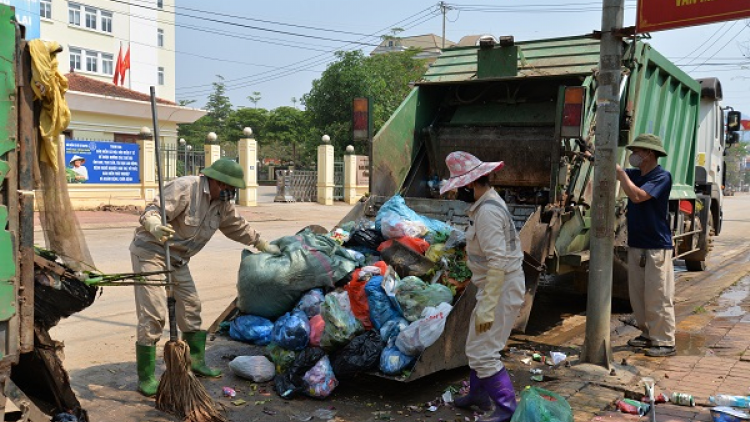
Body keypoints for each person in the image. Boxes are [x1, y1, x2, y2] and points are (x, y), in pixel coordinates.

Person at [129, 158, 281, 397]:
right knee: (154, 313)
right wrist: (155, 225)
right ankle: (146, 376)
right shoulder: (185, 188)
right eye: (230, 188)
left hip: (178, 259)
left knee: (191, 307)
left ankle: (195, 362)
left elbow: (236, 225)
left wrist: (260, 242)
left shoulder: (222, 203)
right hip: (152, 252)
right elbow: (152, 211)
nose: (232, 193)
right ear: (218, 182)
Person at [440, 151, 525, 422]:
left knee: (483, 351)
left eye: (457, 188)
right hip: (495, 286)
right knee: (476, 345)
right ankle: (478, 395)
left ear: (468, 185)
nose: (457, 194)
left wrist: (489, 305)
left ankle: (507, 410)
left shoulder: (487, 212)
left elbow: (497, 260)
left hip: (499, 288)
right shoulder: (486, 202)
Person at [615, 133, 676, 357]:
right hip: (637, 243)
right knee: (639, 296)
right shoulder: (635, 174)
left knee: (658, 296)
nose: (633, 156)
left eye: (636, 152)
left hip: (656, 246)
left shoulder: (661, 177)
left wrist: (621, 175)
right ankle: (648, 334)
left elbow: (638, 196)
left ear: (649, 154)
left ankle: (665, 341)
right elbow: (616, 171)